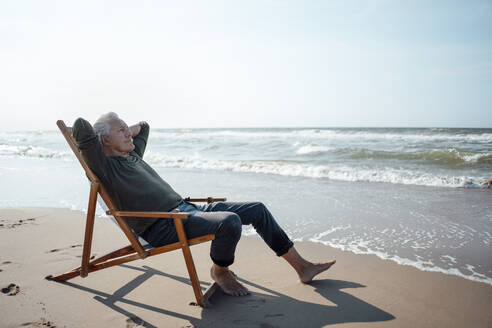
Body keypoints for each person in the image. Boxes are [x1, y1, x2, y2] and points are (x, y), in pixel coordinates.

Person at [72, 112, 335, 296]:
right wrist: (107, 130)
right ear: (104, 140)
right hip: (162, 226)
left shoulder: (132, 155)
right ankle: (220, 271)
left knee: (257, 208)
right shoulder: (104, 166)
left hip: (187, 210)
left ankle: (303, 267)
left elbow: (145, 125)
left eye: (128, 130)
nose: (129, 134)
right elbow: (81, 128)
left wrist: (123, 129)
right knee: (229, 222)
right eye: (121, 130)